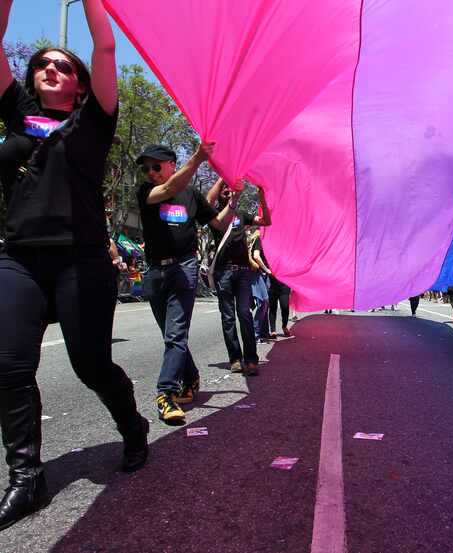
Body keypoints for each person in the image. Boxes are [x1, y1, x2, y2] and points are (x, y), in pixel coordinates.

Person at [0, 0, 149, 531]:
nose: (50, 69)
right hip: (18, 257)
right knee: (10, 367)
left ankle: (132, 427)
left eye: (63, 66)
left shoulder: (95, 121)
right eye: (43, 63)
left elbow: (104, 46)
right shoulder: (17, 113)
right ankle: (26, 477)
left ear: (81, 86)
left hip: (81, 260)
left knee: (90, 364)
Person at [136, 143, 237, 424]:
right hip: (155, 272)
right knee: (170, 334)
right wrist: (197, 159)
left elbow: (217, 223)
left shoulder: (191, 195)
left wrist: (235, 200)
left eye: (156, 166)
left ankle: (166, 393)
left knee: (175, 334)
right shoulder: (146, 191)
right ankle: (191, 378)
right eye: (146, 168)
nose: (151, 172)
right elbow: (166, 190)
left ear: (171, 163)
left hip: (184, 268)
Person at [206, 180, 271, 370]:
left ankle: (251, 359)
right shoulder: (214, 216)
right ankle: (235, 359)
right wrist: (221, 177)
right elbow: (208, 200)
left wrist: (262, 197)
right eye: (223, 187)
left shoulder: (242, 215)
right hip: (222, 273)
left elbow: (267, 221)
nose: (226, 189)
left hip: (243, 273)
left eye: (229, 186)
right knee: (228, 316)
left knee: (244, 313)